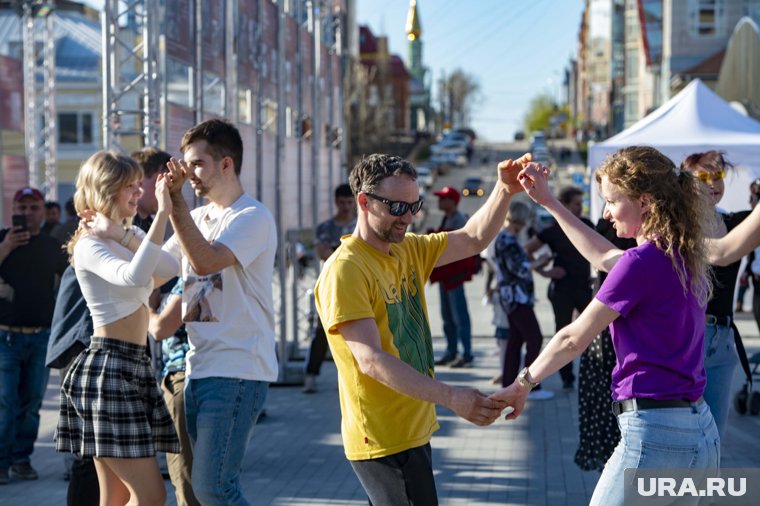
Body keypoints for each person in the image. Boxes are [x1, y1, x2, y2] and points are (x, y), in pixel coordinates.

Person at [493, 147, 721, 505]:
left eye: (612, 201)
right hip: (701, 434)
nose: (606, 213)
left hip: (656, 436)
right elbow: (602, 256)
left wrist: (523, 383)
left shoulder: (640, 263)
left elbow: (572, 338)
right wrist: (550, 202)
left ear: (644, 201)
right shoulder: (681, 254)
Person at [313, 152, 527, 505]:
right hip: (382, 439)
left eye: (416, 206)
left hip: (413, 430)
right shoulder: (346, 269)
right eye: (398, 207)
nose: (409, 218)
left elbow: (473, 237)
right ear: (364, 202)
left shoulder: (407, 249)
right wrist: (452, 396)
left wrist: (503, 190)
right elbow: (370, 360)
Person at [162, 118, 277, 505]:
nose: (188, 173)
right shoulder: (196, 219)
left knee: (214, 488)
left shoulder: (252, 217)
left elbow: (206, 261)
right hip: (198, 368)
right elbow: (154, 267)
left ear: (226, 164)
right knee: (203, 488)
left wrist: (174, 203)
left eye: (197, 163)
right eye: (186, 164)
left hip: (238, 371)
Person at [55, 150, 180, 505]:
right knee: (150, 496)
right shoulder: (89, 245)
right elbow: (136, 276)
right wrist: (162, 217)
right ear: (106, 190)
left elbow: (169, 268)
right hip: (108, 368)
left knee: (115, 497)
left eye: (137, 184)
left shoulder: (124, 235)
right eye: (130, 186)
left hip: (130, 366)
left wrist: (125, 235)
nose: (139, 192)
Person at [680, 151, 753, 438]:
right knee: (683, 434)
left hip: (722, 340)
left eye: (719, 176)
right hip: (684, 338)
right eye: (703, 176)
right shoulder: (673, 228)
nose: (713, 183)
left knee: (714, 437)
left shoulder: (738, 223)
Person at [0, 186, 68, 484]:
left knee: (31, 403)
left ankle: (21, 460)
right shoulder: (2, 238)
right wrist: (5, 248)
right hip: (6, 338)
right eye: (23, 208)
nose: (28, 214)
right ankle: (1, 462)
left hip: (41, 336)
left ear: (43, 211)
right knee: (5, 403)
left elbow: (68, 281)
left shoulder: (53, 246)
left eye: (33, 208)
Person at [573, 218, 636, 472]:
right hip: (608, 332)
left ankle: (609, 462)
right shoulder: (616, 232)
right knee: (607, 402)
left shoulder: (634, 254)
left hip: (605, 332)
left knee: (603, 402)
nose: (608, 210)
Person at [524, 185, 595, 390]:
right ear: (564, 205)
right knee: (563, 332)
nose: (580, 208)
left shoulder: (587, 224)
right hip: (562, 289)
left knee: (596, 330)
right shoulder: (552, 231)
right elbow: (526, 252)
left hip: (583, 287)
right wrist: (545, 272)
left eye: (582, 204)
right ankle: (567, 377)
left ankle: (595, 373)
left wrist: (596, 276)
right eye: (576, 204)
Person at [45, 266, 99, 506]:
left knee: (97, 457)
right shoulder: (91, 252)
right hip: (82, 352)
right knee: (88, 456)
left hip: (88, 352)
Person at [491, 201, 554, 400]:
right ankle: (530, 387)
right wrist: (540, 262)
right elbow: (518, 268)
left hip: (513, 297)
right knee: (534, 338)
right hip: (516, 297)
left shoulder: (507, 238)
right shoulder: (507, 239)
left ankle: (508, 385)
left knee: (515, 341)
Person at [148, 278, 201, 506]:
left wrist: (149, 308)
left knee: (186, 478)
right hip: (197, 376)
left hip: (182, 377)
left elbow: (160, 329)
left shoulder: (192, 276)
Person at [303, 183, 357, 393]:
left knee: (356, 334)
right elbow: (322, 252)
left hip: (356, 285)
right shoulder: (325, 227)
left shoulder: (359, 225)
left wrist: (336, 250)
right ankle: (310, 375)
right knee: (322, 332)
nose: (345, 207)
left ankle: (348, 377)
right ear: (336, 202)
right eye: (342, 202)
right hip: (331, 286)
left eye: (348, 202)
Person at [429, 186, 476, 368]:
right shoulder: (447, 217)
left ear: (452, 201)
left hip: (454, 276)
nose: (440, 202)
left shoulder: (459, 219)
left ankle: (466, 353)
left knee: (459, 317)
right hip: (445, 276)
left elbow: (461, 246)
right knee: (447, 317)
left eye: (443, 198)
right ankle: (451, 351)